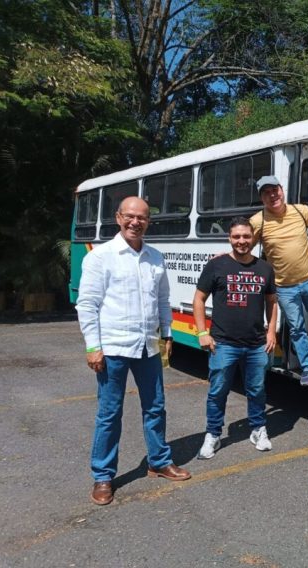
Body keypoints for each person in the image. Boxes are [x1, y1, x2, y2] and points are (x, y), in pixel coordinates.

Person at [76, 196, 191, 506]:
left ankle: (158, 461)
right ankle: (103, 476)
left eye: (141, 217)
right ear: (118, 217)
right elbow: (87, 304)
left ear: (148, 221)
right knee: (109, 414)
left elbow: (163, 299)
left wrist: (167, 333)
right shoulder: (101, 257)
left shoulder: (155, 257)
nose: (135, 222)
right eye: (129, 216)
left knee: (156, 406)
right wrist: (92, 346)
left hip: (149, 344)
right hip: (112, 347)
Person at [193, 217, 278, 458]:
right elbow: (198, 299)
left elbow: (272, 302)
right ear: (230, 239)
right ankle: (213, 434)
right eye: (237, 237)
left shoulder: (265, 268)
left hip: (256, 345)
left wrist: (271, 331)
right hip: (223, 343)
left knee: (257, 390)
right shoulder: (216, 266)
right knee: (218, 391)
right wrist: (202, 332)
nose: (242, 241)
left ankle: (258, 428)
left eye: (246, 236)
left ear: (253, 238)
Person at [250, 175, 308, 386]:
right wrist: (225, 255)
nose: (272, 195)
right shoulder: (258, 221)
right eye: (266, 193)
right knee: (297, 328)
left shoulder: (300, 211)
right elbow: (244, 244)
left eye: (274, 190)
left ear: (282, 189)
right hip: (283, 287)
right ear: (262, 199)